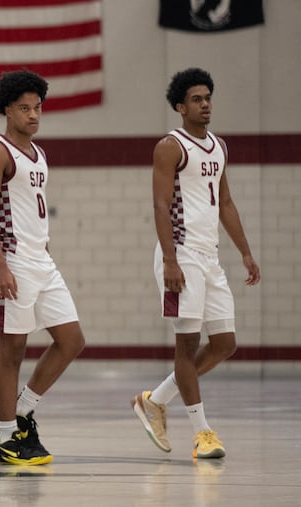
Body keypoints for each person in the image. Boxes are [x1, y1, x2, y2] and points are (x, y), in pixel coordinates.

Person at [131, 67, 260, 460]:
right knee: (186, 345)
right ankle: (202, 433)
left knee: (225, 343)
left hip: (210, 256)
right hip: (181, 254)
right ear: (180, 106)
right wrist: (170, 260)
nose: (205, 105)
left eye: (208, 98)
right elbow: (159, 204)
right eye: (197, 100)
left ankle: (154, 400)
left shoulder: (219, 146)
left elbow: (226, 202)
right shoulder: (170, 146)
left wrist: (245, 251)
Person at [0, 69, 86, 466]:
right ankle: (7, 437)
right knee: (13, 349)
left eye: (38, 107)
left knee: (72, 340)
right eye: (24, 108)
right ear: (7, 109)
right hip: (12, 260)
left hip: (41, 259)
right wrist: (1, 265)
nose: (33, 115)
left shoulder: (39, 154)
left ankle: (23, 411)